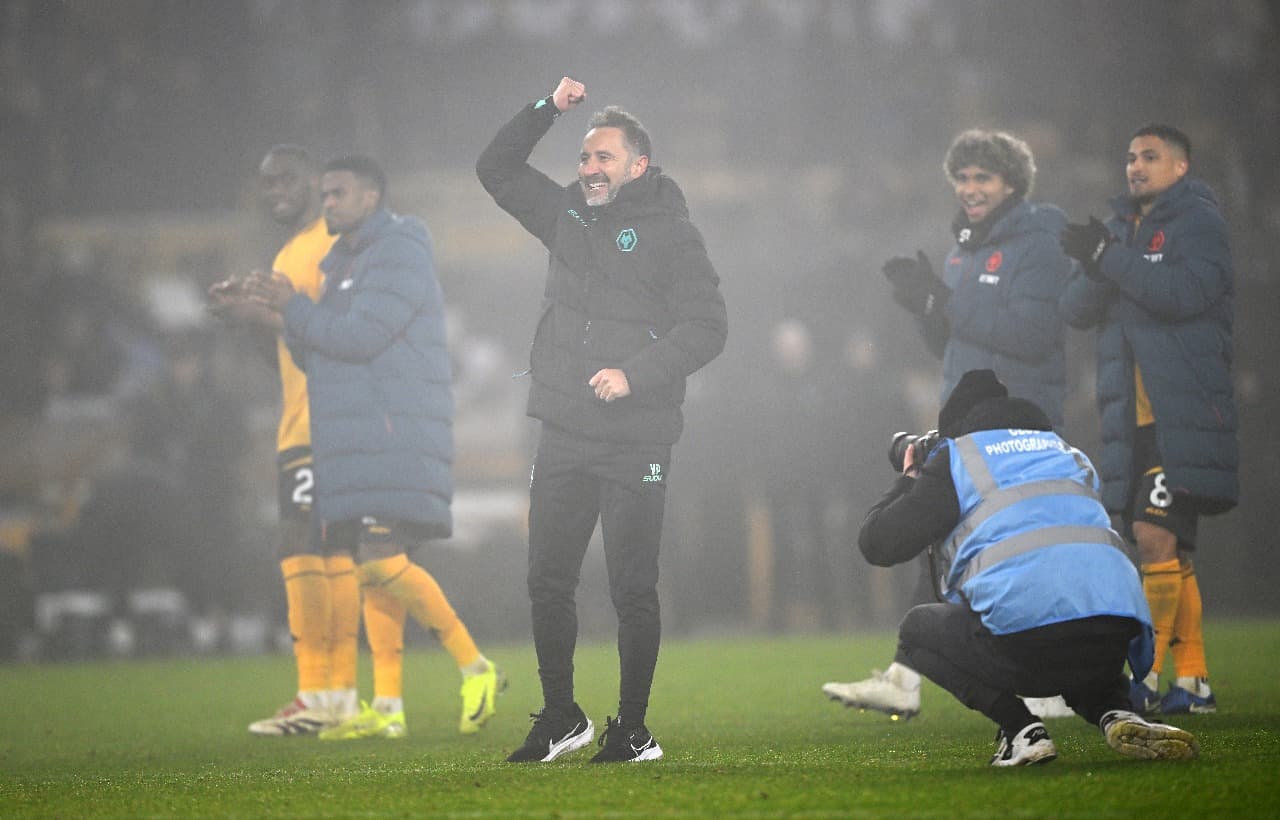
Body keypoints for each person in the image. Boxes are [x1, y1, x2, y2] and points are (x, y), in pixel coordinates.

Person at [476, 77, 727, 763]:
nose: (588, 169)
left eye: (604, 158)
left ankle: (634, 729)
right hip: (561, 430)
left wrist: (634, 374)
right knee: (547, 581)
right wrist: (547, 109)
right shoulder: (567, 217)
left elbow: (708, 327)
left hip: (635, 437)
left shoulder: (674, 234)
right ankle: (562, 716)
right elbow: (494, 168)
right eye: (584, 158)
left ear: (638, 165)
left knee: (631, 588)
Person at [244, 154, 502, 740]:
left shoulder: (400, 250)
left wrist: (295, 309)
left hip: (392, 429)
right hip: (360, 435)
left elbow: (360, 338)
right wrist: (276, 318)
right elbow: (317, 353)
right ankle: (387, 708)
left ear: (370, 198)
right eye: (326, 194)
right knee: (370, 566)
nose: (327, 203)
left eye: (338, 193)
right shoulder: (340, 264)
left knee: (381, 560)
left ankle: (475, 665)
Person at [824, 129, 1075, 720]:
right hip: (968, 418)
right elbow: (955, 339)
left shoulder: (1040, 241)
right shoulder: (964, 247)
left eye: (982, 178)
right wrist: (926, 310)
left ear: (1012, 183)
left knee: (1022, 550)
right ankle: (907, 679)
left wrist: (947, 304)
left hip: (1021, 420)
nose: (969, 189)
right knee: (944, 547)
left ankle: (1050, 684)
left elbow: (1033, 334)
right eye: (961, 178)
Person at [855, 368, 1198, 767]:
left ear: (955, 429)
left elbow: (877, 543)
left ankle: (1020, 730)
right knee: (1073, 611)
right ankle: (1116, 711)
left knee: (917, 632)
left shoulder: (961, 457)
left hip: (1027, 649)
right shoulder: (1068, 453)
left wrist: (912, 478)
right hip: (1113, 637)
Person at [1059, 124, 1237, 715]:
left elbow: (1183, 294)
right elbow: (1074, 310)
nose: (1135, 166)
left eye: (1150, 157)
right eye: (1130, 156)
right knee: (1164, 548)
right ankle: (1194, 681)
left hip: (1177, 411)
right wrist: (1094, 259)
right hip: (1131, 418)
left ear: (1180, 168)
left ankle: (1151, 675)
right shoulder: (1120, 231)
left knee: (1154, 536)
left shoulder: (1199, 224)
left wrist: (1113, 258)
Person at [208, 144, 358, 735]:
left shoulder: (332, 242)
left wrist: (262, 314)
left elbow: (339, 335)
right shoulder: (288, 253)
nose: (277, 194)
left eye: (288, 181)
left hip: (330, 422)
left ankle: (328, 694)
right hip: (298, 421)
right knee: (308, 549)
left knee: (315, 547)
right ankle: (323, 697)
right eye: (266, 186)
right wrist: (249, 320)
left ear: (318, 179)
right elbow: (289, 356)